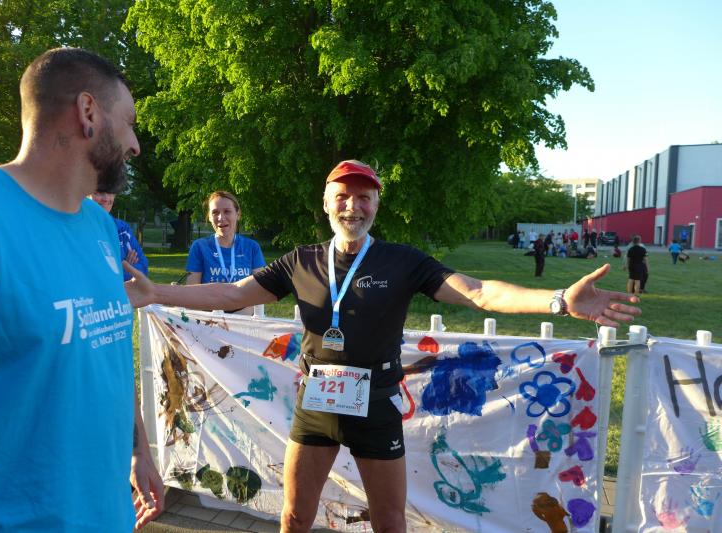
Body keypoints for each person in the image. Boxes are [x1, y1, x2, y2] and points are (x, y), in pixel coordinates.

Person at [122, 159, 640, 533]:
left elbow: (479, 292)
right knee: (295, 517)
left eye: (364, 196)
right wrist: (156, 292)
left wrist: (558, 300)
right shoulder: (301, 261)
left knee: (390, 523)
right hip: (317, 403)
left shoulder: (402, 260)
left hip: (376, 405)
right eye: (343, 196)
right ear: (326, 203)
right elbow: (232, 294)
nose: (353, 205)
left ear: (376, 204)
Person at [0, 48, 163, 531]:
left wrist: (139, 452)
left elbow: (107, 355)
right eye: (130, 123)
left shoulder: (99, 226)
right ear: (88, 112)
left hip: (109, 517)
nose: (135, 145)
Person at [185, 191, 266, 285]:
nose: (221, 218)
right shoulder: (200, 247)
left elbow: (260, 287)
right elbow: (192, 289)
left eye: (227, 211)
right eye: (215, 212)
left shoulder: (251, 247)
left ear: (238, 214)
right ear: (210, 217)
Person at [90, 190, 149, 281]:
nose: (106, 199)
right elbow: (92, 274)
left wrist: (117, 270)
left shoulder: (122, 229)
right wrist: (128, 268)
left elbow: (143, 269)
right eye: (100, 192)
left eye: (110, 192)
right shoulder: (78, 231)